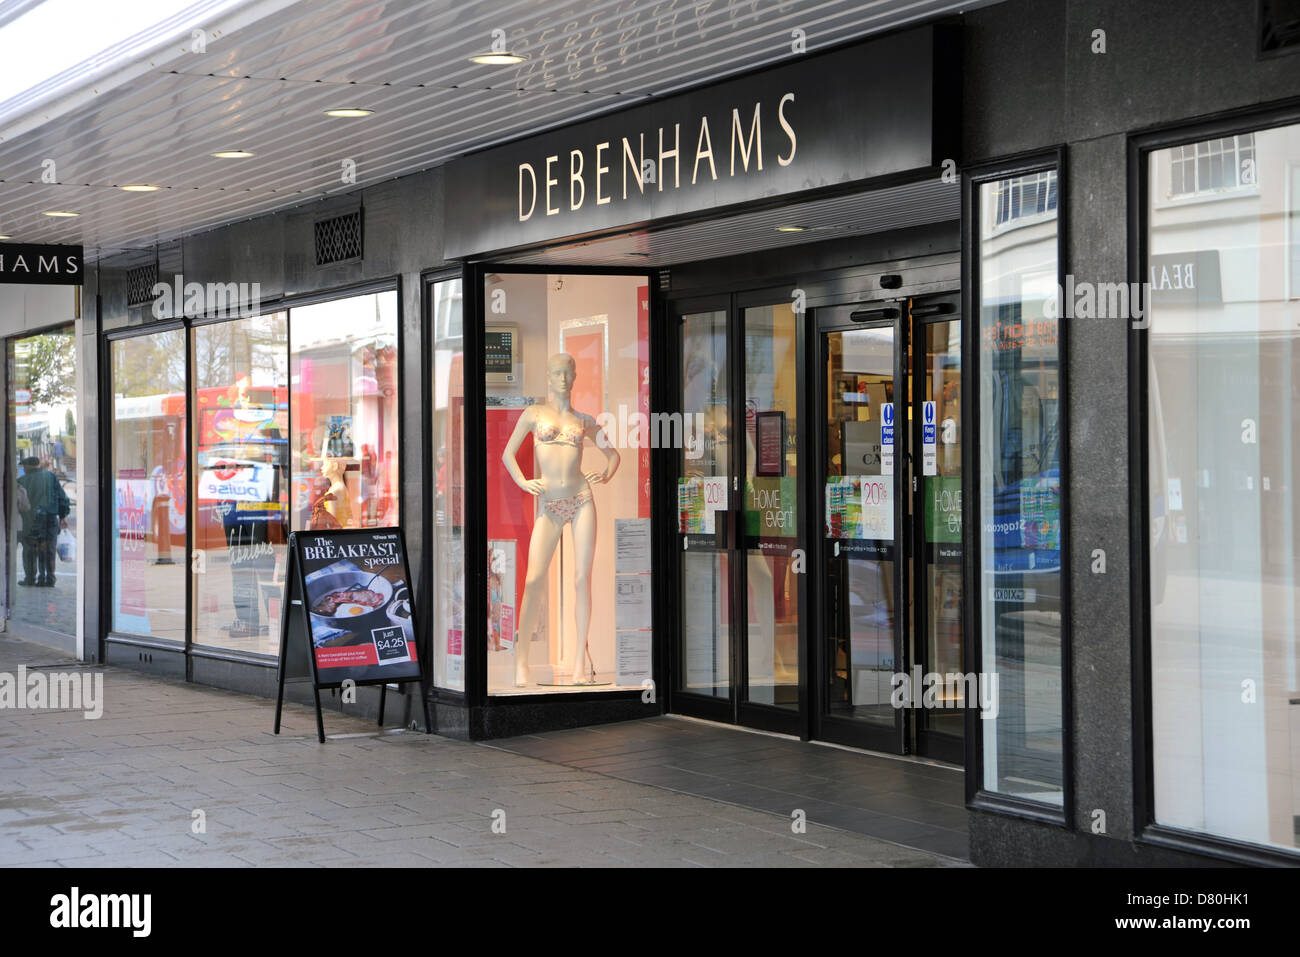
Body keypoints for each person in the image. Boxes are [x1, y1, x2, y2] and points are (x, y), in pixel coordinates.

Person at [501, 353, 619, 687]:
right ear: (548, 377)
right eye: (557, 373)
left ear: (575, 376)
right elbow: (507, 454)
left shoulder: (584, 419)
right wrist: (524, 481)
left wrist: (606, 475)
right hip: (549, 504)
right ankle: (521, 661)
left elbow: (613, 454)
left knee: (582, 579)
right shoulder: (534, 414)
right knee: (534, 579)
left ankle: (580, 664)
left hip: (581, 499)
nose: (563, 378)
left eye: (568, 372)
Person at [17, 456, 69, 588]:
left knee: (30, 549)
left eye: (24, 466)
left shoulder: (21, 481)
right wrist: (63, 515)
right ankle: (48, 579)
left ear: (28, 466)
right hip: (50, 519)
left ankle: (30, 578)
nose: (23, 468)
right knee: (48, 548)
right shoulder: (51, 477)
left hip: (31, 521)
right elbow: (61, 497)